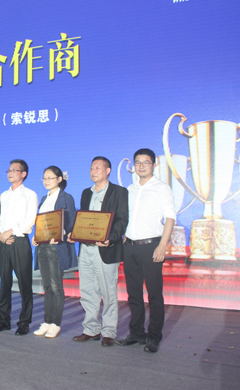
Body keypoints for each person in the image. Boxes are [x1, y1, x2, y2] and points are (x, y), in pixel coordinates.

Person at [116, 149, 175, 353]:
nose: (141, 166)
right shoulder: (130, 189)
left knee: (154, 294)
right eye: (138, 162)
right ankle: (137, 334)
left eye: (146, 162)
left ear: (154, 165)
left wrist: (162, 245)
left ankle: (154, 337)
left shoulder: (161, 188)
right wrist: (125, 234)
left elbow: (170, 218)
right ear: (133, 166)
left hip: (151, 246)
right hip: (130, 246)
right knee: (133, 294)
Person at [69, 157, 128, 347]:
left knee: (108, 292)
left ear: (108, 170)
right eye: (91, 168)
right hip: (86, 249)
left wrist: (110, 238)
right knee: (87, 290)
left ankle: (109, 331)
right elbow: (84, 219)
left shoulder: (119, 192)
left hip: (105, 249)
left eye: (98, 167)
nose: (93, 171)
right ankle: (91, 329)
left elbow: (122, 219)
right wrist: (74, 233)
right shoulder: (86, 193)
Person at [0, 159, 38, 335]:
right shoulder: (3, 195)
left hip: (19, 242)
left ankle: (24, 322)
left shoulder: (30, 194)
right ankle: (3, 320)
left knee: (25, 283)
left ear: (23, 174)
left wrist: (9, 232)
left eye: (14, 170)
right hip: (3, 242)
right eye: (9, 170)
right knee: (4, 283)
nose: (10, 173)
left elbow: (29, 220)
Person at [32, 166, 77, 338]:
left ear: (59, 179)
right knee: (47, 286)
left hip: (56, 247)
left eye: (50, 178)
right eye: (44, 178)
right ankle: (47, 321)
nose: (46, 181)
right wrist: (36, 237)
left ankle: (56, 324)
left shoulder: (66, 197)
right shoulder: (44, 198)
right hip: (42, 247)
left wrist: (62, 234)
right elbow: (42, 223)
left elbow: (71, 222)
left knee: (56, 286)